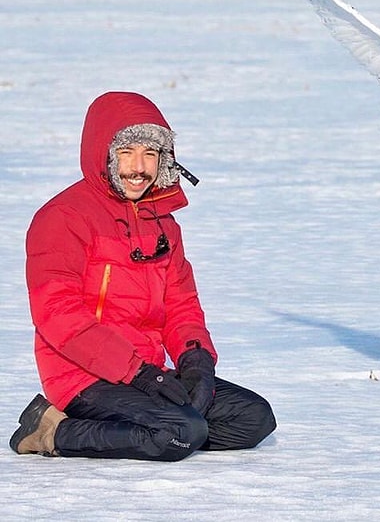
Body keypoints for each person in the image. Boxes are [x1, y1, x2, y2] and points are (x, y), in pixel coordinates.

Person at [9, 91, 276, 461]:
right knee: (181, 432)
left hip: (149, 371)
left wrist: (195, 362)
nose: (139, 167)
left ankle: (149, 427)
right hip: (83, 374)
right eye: (127, 153)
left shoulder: (163, 224)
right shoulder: (62, 218)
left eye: (150, 154)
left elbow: (181, 304)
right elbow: (58, 315)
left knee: (253, 418)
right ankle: (52, 431)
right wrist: (138, 373)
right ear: (103, 155)